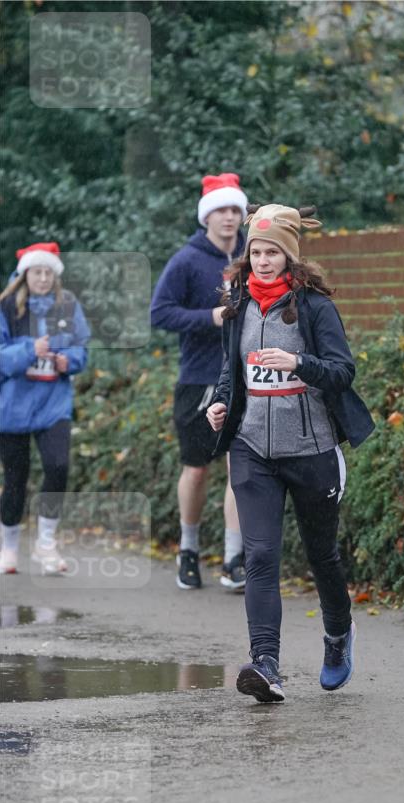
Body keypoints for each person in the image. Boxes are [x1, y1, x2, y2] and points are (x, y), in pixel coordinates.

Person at [206, 203, 375, 704]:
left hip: (312, 449)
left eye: (272, 252)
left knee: (322, 556)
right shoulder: (237, 304)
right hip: (252, 448)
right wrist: (220, 403)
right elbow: (229, 371)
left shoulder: (315, 307)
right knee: (260, 555)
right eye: (255, 251)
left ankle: (338, 637)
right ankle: (265, 664)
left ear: (289, 256)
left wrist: (299, 362)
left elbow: (343, 371)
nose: (262, 260)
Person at [150, 173, 248, 591]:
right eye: (221, 211)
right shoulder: (187, 260)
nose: (229, 218)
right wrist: (209, 317)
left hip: (244, 378)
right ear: (207, 217)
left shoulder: (255, 254)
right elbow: (159, 313)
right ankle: (188, 550)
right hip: (198, 379)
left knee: (238, 469)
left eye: (235, 211)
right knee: (196, 470)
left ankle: (233, 558)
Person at [0, 241, 90, 575]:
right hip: (13, 407)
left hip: (54, 405)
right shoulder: (7, 306)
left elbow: (82, 348)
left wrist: (70, 361)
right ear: (25, 274)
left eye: (48, 272)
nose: (42, 278)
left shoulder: (66, 306)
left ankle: (46, 545)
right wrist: (29, 349)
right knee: (15, 478)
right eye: (37, 272)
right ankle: (8, 547)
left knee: (57, 466)